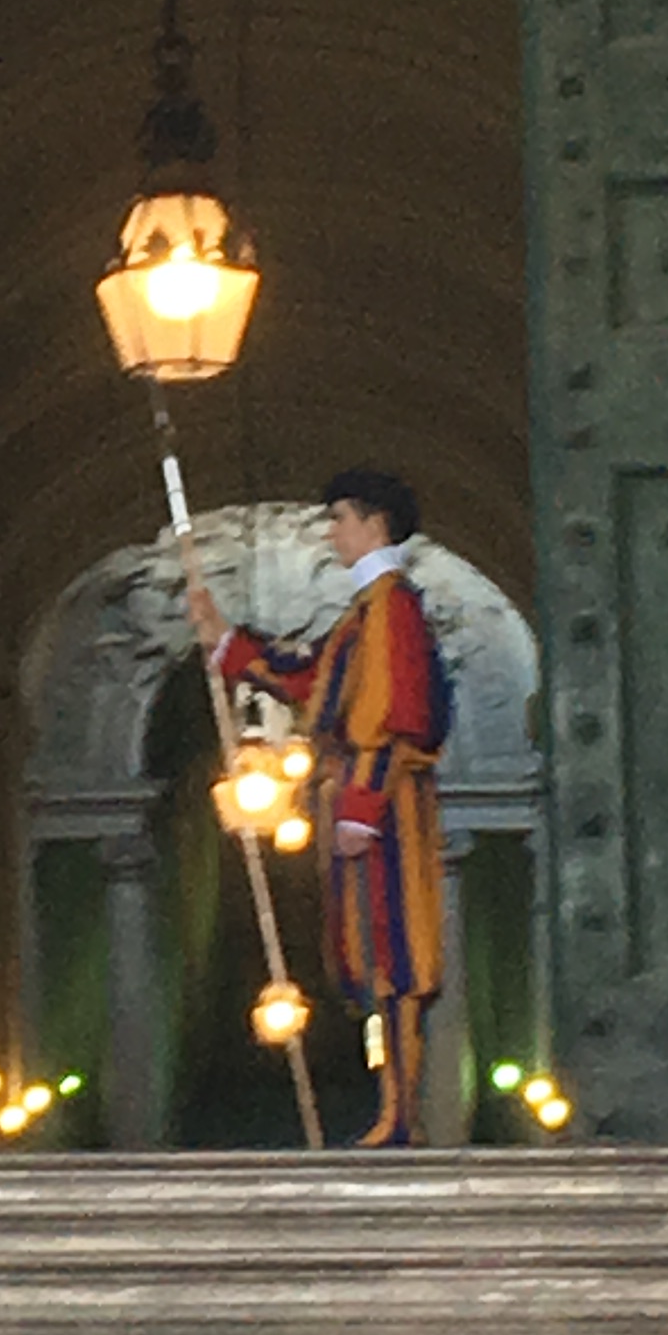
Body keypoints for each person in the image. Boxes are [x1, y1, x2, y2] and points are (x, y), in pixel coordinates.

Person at [188, 469, 454, 1148]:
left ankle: (401, 1113)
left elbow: (392, 716)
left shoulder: (392, 608)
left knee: (395, 958)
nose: (332, 532)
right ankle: (393, 1108)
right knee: (370, 957)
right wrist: (226, 641)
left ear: (375, 524)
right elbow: (312, 680)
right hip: (362, 799)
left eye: (340, 518)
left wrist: (360, 804)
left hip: (384, 802)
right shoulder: (365, 614)